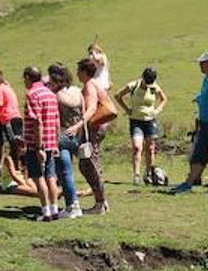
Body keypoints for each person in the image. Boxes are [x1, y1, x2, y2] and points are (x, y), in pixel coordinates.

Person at [171, 51, 208, 195]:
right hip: (205, 122)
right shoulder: (207, 79)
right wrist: (200, 98)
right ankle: (188, 183)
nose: (200, 66)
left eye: (202, 63)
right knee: (200, 154)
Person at [72, 57, 115, 214]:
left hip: (94, 129)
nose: (77, 74)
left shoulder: (90, 85)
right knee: (87, 164)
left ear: (84, 72)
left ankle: (100, 204)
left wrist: (78, 125)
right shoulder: (94, 84)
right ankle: (101, 202)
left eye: (78, 71)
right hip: (96, 128)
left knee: (89, 164)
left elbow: (90, 108)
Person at [22, 66, 62, 220]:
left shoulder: (32, 94)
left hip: (37, 143)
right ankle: (54, 209)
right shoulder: (51, 94)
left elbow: (37, 121)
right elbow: (57, 121)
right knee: (51, 177)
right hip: (51, 141)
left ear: (27, 77)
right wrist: (56, 142)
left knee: (39, 177)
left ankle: (46, 212)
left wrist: (38, 147)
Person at [116, 66, 167, 185]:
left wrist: (157, 110)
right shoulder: (133, 86)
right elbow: (118, 95)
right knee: (137, 147)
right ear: (142, 78)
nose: (148, 85)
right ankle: (136, 175)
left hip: (150, 121)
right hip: (136, 121)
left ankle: (149, 173)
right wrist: (127, 109)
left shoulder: (154, 87)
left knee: (150, 148)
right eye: (146, 82)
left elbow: (164, 99)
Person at [47, 63, 83, 218]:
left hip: (62, 136)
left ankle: (72, 205)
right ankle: (74, 204)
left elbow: (55, 119)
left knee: (64, 172)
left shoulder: (55, 95)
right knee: (69, 171)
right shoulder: (77, 91)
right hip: (77, 135)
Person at [0, 71, 23, 192]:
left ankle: (14, 169)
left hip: (8, 118)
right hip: (17, 117)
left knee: (13, 144)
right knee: (18, 143)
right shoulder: (7, 87)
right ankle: (16, 168)